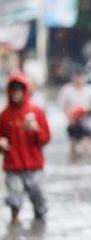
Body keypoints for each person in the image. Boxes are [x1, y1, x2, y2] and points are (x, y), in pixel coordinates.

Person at [0, 72, 51, 224]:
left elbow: (46, 139)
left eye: (19, 90)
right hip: (13, 166)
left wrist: (35, 129)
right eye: (13, 90)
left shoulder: (36, 112)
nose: (16, 93)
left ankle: (39, 227)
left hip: (34, 166)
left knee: (38, 197)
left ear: (25, 91)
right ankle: (14, 223)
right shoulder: (4, 116)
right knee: (14, 198)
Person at [57, 70, 91, 160]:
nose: (79, 80)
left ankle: (86, 163)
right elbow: (61, 105)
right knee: (72, 145)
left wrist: (88, 110)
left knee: (86, 145)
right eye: (76, 77)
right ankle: (73, 164)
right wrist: (69, 116)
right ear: (73, 77)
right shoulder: (66, 89)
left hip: (87, 122)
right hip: (72, 122)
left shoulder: (90, 89)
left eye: (80, 77)